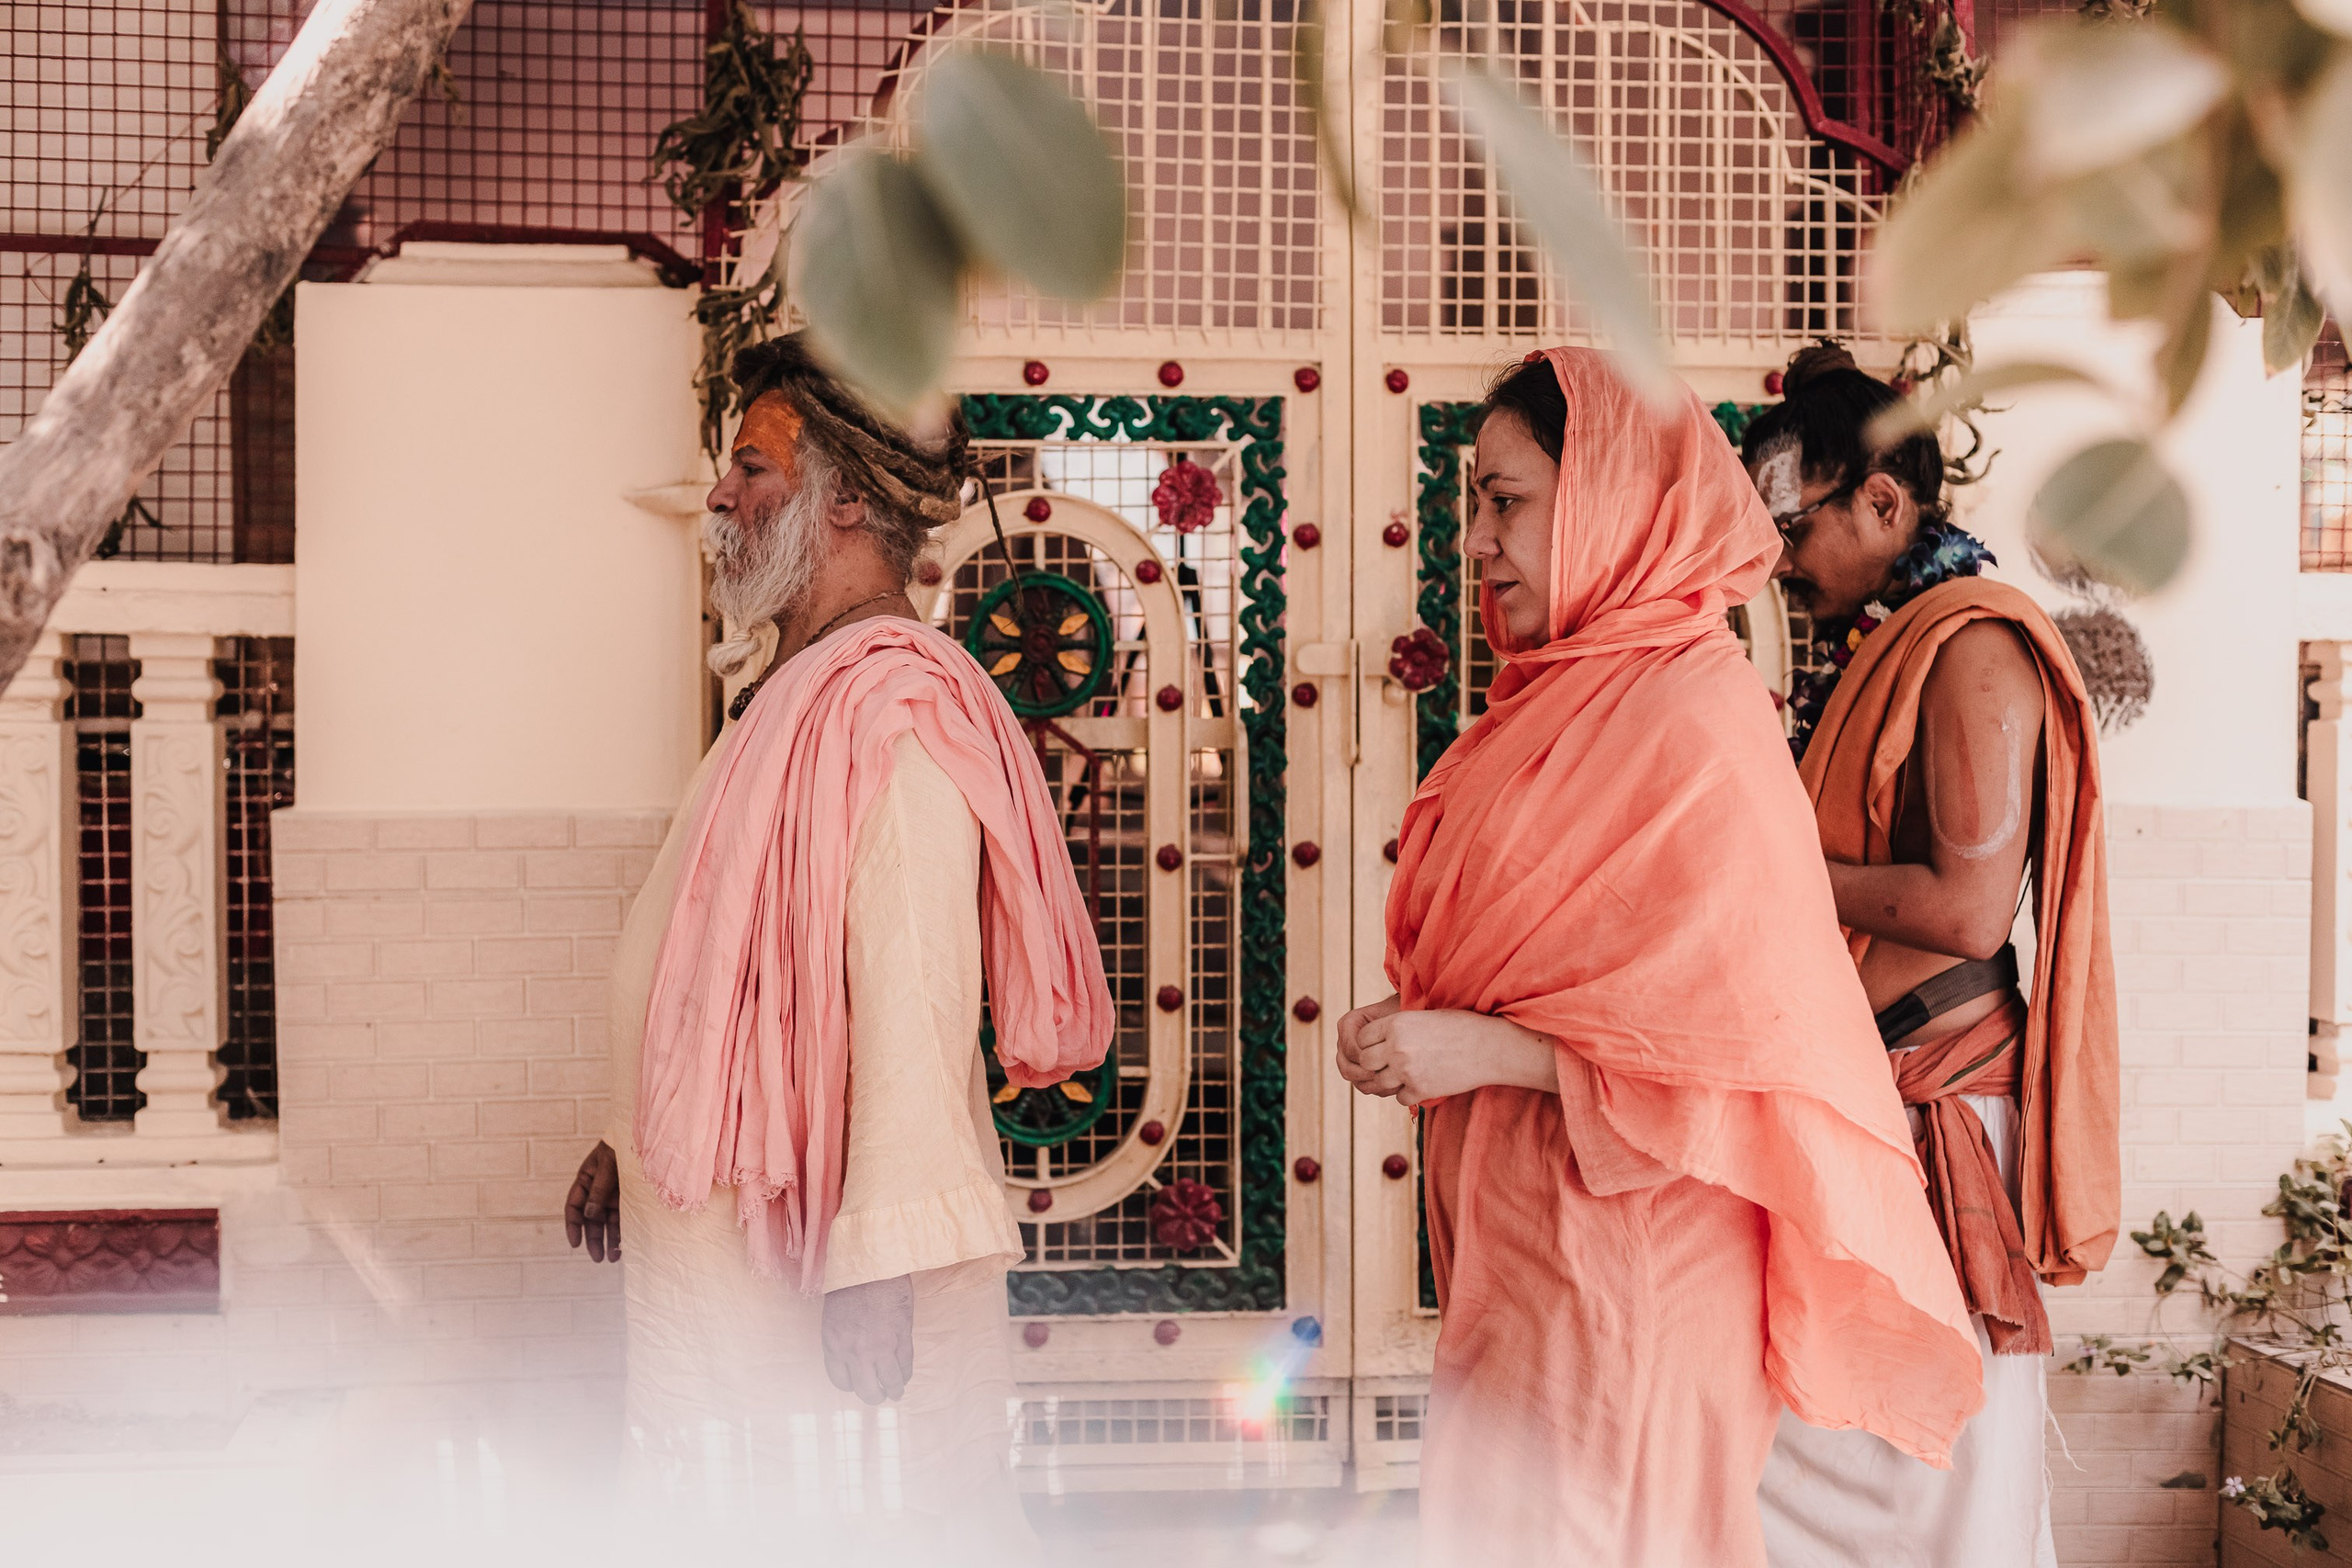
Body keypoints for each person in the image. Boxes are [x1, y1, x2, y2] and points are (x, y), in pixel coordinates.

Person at [1337, 347, 1983, 1568]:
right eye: (1476, 502)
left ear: (1613, 505)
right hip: (1522, 1246)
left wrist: (1476, 1045)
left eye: (1508, 502)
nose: (1477, 539)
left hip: (1634, 1264)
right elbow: (1557, 966)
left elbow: (1733, 1055)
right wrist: (1430, 1023)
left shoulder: (1695, 722)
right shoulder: (1554, 702)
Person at [560, 334, 1112, 1552]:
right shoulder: (796, 696)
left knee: (857, 1520)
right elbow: (713, 964)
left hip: (832, 1287)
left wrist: (878, 1267)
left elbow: (906, 994)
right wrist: (626, 1136)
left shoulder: (892, 718)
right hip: (727, 1261)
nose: (719, 496)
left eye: (750, 467)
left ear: (850, 498)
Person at [1744, 344, 2120, 1568]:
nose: (1779, 562)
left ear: (1885, 503)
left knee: (1938, 1463)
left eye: (1795, 530)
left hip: (1940, 1107)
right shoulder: (1888, 636)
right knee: (1842, 1441)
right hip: (1878, 1100)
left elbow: (1964, 911)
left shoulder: (1972, 648)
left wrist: (1765, 861)